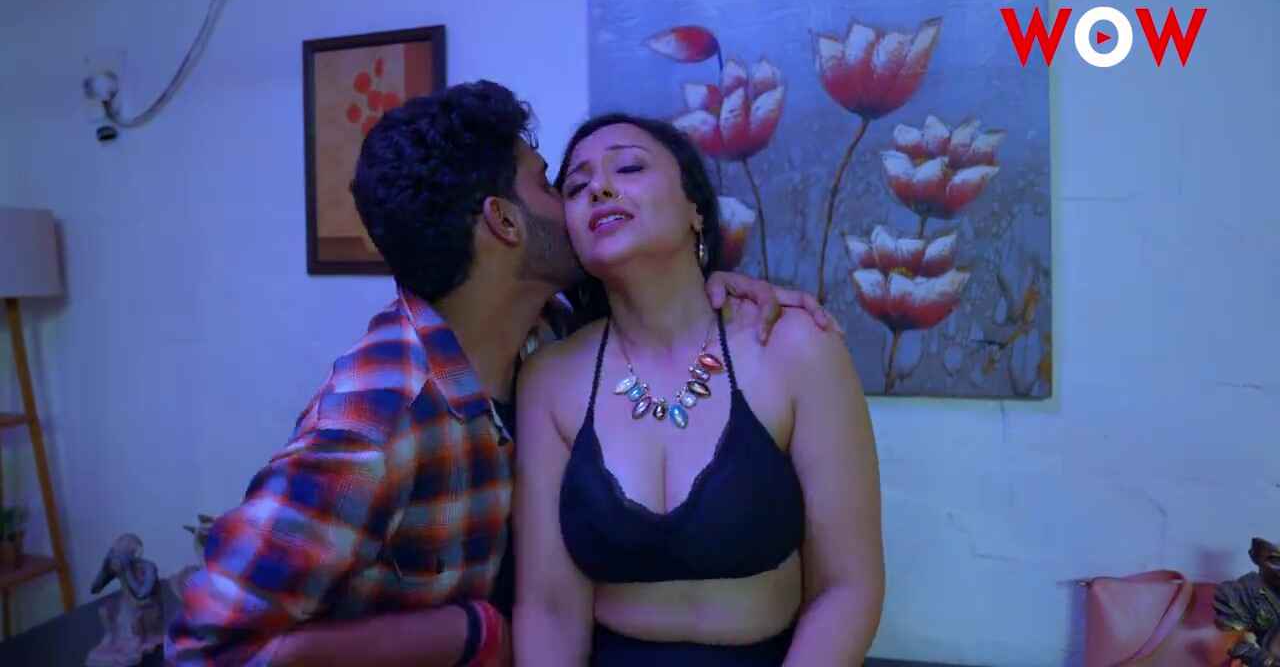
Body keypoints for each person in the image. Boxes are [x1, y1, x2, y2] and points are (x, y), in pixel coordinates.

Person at [165, 82, 835, 666]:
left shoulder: (541, 334)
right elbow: (204, 648)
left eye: (625, 170)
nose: (585, 196)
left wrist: (719, 288)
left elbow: (662, 317)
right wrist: (468, 631)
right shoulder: (378, 417)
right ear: (504, 222)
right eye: (556, 185)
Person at [514, 114, 885, 665]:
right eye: (576, 186)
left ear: (695, 210)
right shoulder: (549, 378)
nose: (599, 188)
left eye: (629, 167)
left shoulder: (795, 347)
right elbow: (548, 608)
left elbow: (847, 588)